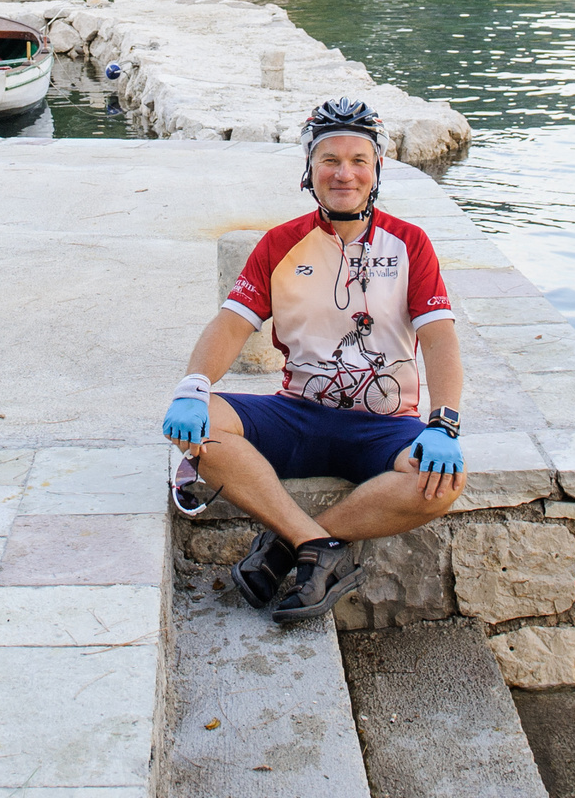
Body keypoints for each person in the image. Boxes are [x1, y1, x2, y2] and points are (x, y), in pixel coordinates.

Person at [162, 97, 464, 621]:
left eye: (357, 160)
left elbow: (439, 338)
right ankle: (315, 545)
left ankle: (290, 545)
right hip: (298, 414)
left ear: (377, 170)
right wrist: (193, 387)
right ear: (310, 168)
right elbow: (232, 324)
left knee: (438, 487)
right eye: (329, 160)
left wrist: (444, 423)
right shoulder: (280, 244)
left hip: (383, 424)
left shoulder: (411, 243)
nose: (343, 173)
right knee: (198, 425)